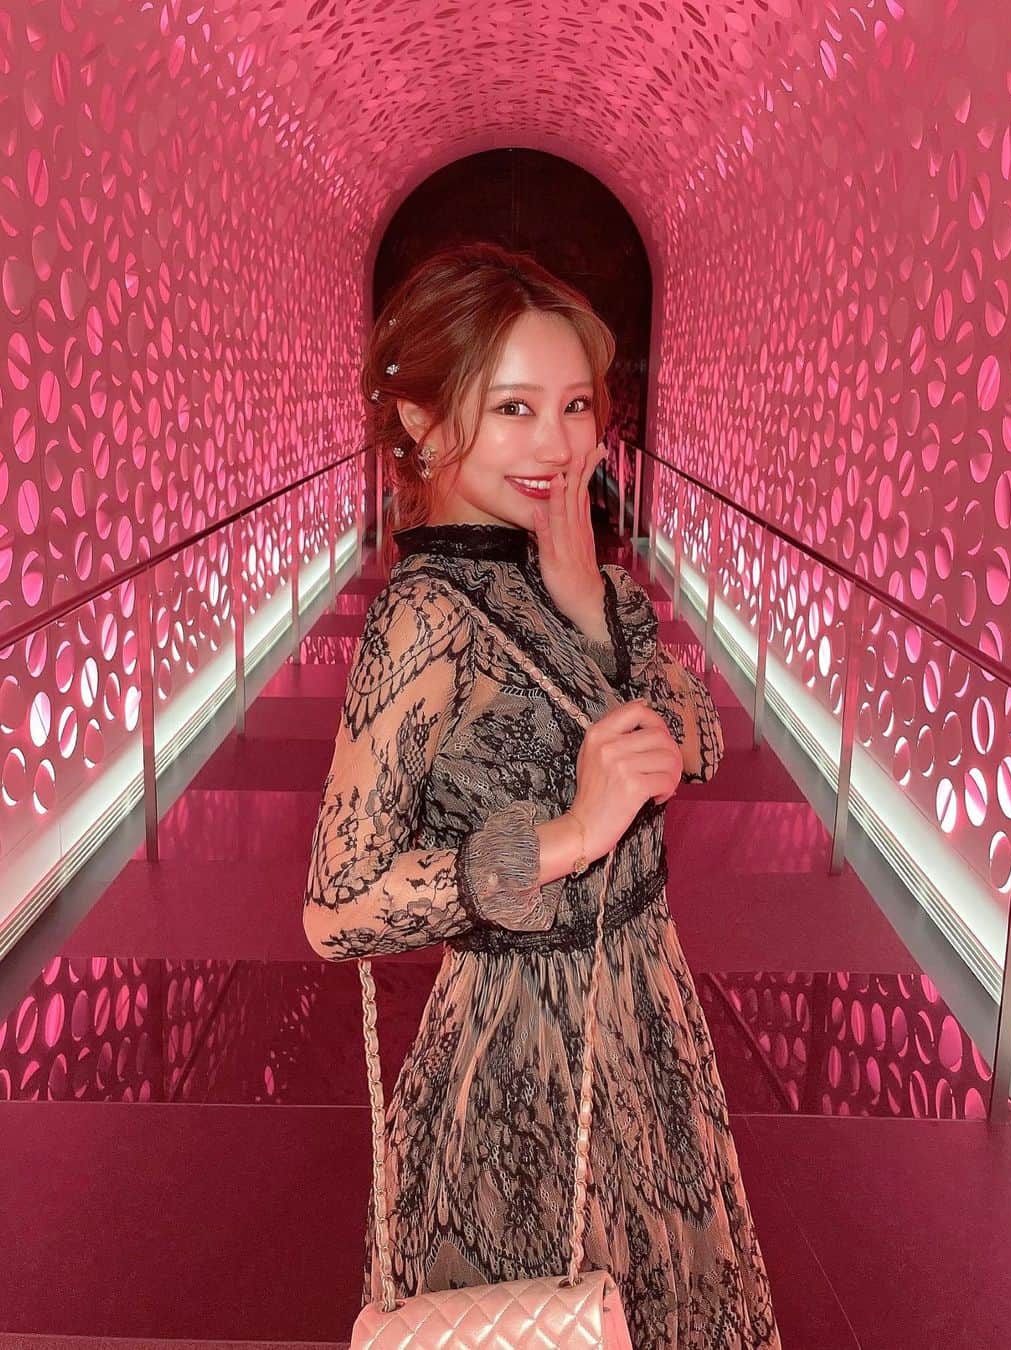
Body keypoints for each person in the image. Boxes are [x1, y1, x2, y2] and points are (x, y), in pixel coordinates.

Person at [302, 241, 782, 1348]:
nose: (559, 445)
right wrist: (565, 836)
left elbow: (699, 739)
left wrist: (585, 608)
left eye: (574, 406)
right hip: (521, 1050)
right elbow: (338, 908)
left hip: (650, 1019)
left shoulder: (584, 581)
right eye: (513, 407)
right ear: (422, 420)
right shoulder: (427, 616)